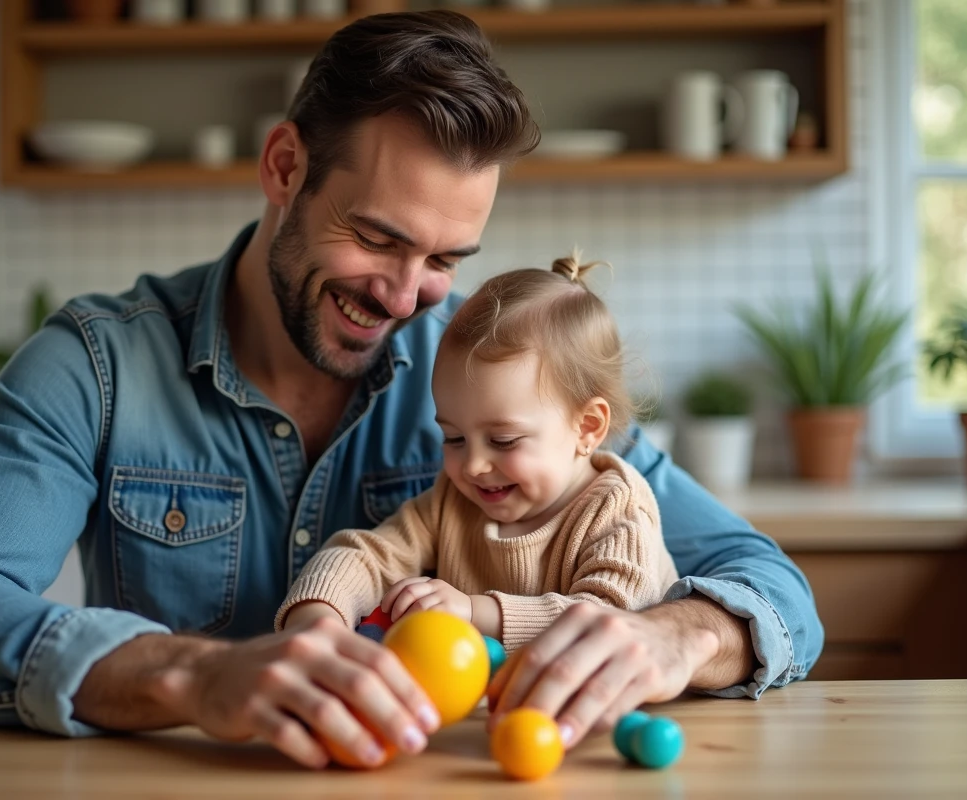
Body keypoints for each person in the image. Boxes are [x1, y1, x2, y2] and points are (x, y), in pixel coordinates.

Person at [0, 10, 823, 771]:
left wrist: (679, 640)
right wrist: (191, 675)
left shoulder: (498, 378)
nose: (407, 297)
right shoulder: (95, 364)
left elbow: (772, 587)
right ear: (285, 167)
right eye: (376, 239)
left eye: (446, 257)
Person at [277, 257, 679, 657]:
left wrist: (474, 611)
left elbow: (612, 622)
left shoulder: (617, 509)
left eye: (503, 441)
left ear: (588, 427)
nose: (472, 466)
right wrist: (319, 614)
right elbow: (367, 556)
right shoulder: (452, 502)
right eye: (453, 438)